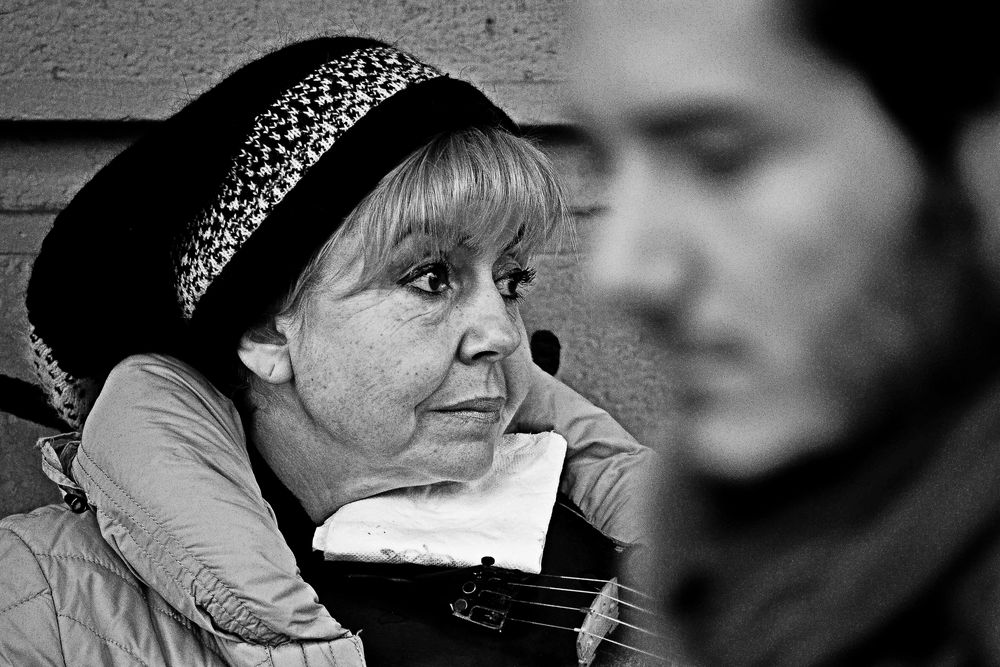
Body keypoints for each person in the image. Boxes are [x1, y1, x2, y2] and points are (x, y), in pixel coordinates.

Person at [0, 37, 654, 666]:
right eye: (430, 277)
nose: (504, 334)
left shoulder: (576, 521)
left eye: (510, 280)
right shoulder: (32, 604)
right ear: (264, 331)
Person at [571, 0, 1000, 665]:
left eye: (720, 161)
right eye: (603, 165)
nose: (620, 269)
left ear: (972, 155)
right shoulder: (722, 533)